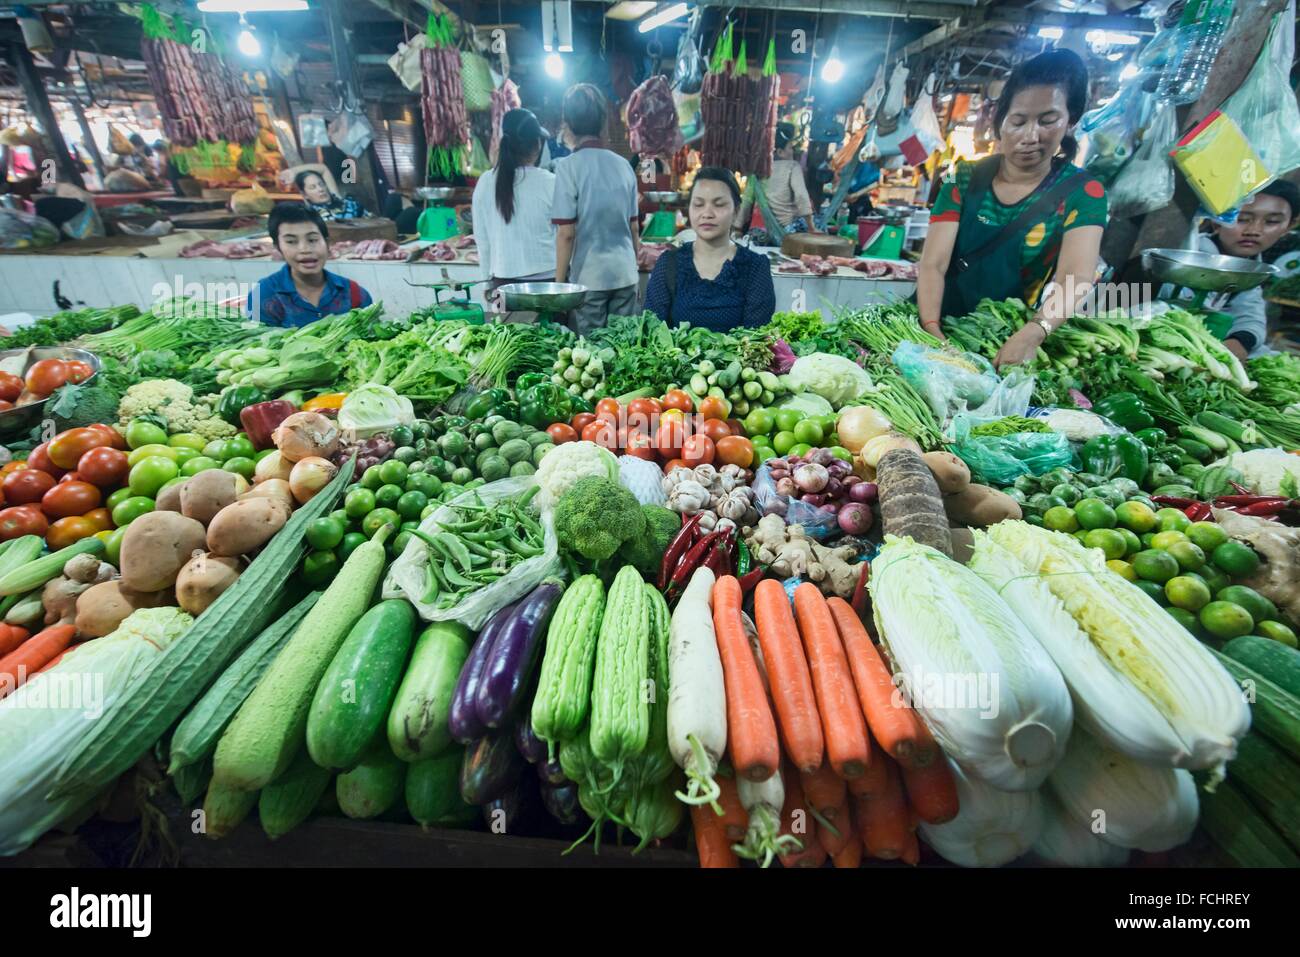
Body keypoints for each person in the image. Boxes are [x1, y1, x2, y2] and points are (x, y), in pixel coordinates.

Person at [917, 50, 1107, 369]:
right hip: (936, 321)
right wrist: (932, 331)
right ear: (1001, 121)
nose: (1030, 136)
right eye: (1018, 121)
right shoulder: (961, 178)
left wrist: (1035, 332)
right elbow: (932, 264)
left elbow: (1075, 277)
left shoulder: (1084, 192)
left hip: (1006, 336)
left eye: (1048, 121)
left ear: (1070, 122)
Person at [551, 83, 641, 334]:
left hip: (590, 279)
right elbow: (634, 228)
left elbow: (566, 234)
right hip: (625, 275)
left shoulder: (568, 167)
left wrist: (559, 288)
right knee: (623, 350)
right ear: (603, 121)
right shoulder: (624, 166)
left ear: (567, 122)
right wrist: (633, 270)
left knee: (592, 357)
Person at [644, 167, 775, 332]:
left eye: (719, 205)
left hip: (739, 358)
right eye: (698, 204)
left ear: (736, 211)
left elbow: (757, 338)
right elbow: (652, 329)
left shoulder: (755, 267)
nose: (707, 213)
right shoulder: (669, 264)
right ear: (689, 209)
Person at [1193, 180, 1300, 359]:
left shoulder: (1251, 270)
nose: (1254, 230)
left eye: (1272, 221)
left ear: (1288, 227)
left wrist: (1240, 341)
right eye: (1242, 218)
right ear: (1217, 221)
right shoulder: (1191, 254)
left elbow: (1250, 313)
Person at [472, 108, 557, 296]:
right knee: (553, 327)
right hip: (549, 285)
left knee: (502, 325)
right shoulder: (550, 182)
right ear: (537, 145)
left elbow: (482, 240)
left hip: (501, 287)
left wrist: (487, 285)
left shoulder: (485, 182)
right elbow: (565, 235)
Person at [246, 204, 372, 327]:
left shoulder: (354, 294)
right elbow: (258, 343)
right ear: (278, 248)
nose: (304, 249)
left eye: (312, 240)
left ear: (327, 243)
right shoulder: (263, 295)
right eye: (291, 241)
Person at [737, 122, 818, 238]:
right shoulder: (792, 167)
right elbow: (801, 195)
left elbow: (746, 201)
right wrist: (811, 227)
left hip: (760, 233)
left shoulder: (757, 172)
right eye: (790, 147)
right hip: (788, 232)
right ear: (780, 152)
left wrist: (737, 227)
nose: (793, 151)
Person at [282, 164, 369, 221]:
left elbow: (323, 169)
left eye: (321, 184)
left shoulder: (338, 199)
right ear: (305, 195)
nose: (320, 189)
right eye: (313, 187)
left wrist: (293, 171)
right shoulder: (311, 214)